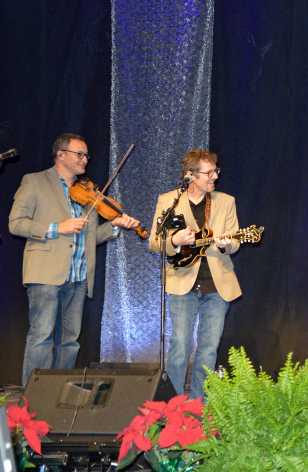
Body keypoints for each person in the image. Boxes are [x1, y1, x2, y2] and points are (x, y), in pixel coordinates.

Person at [9, 133, 139, 387]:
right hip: (46, 274)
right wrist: (58, 227)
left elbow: (92, 238)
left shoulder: (85, 192)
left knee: (69, 341)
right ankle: (33, 398)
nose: (85, 160)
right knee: (41, 337)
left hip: (79, 276)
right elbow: (16, 223)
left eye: (86, 155)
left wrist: (114, 225)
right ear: (60, 155)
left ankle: (58, 396)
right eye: (79, 154)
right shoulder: (35, 182)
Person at [148, 149, 241, 399]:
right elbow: (154, 243)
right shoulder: (168, 200)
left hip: (217, 285)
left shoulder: (226, 201)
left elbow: (235, 241)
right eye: (208, 172)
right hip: (182, 283)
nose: (215, 177)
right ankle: (173, 405)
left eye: (215, 171)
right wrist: (175, 240)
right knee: (179, 345)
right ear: (189, 175)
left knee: (209, 349)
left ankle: (199, 407)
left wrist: (225, 244)